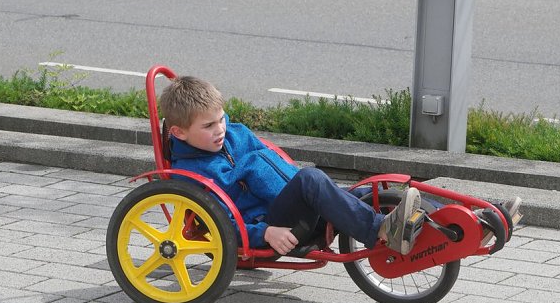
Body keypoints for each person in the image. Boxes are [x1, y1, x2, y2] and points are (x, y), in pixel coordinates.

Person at [159, 76, 426, 256]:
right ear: (179, 133)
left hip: (294, 206)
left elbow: (274, 168)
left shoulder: (235, 134)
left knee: (364, 192)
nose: (220, 130)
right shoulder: (191, 175)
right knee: (311, 179)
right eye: (208, 126)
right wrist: (265, 233)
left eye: (221, 119)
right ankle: (379, 229)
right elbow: (216, 226)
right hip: (275, 227)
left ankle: (441, 220)